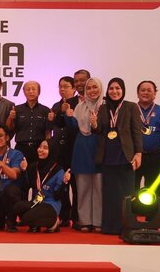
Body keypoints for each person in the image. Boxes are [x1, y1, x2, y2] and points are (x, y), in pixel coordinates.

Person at [95, 78, 143, 235]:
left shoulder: (131, 107)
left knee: (126, 193)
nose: (114, 91)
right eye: (111, 88)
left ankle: (126, 226)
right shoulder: (103, 108)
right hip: (107, 156)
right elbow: (99, 130)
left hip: (126, 156)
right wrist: (94, 124)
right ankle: (109, 227)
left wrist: (138, 153)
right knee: (109, 194)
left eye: (117, 88)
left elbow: (137, 131)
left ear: (123, 90)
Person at [65, 77, 103, 232]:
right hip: (82, 148)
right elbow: (74, 128)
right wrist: (68, 117)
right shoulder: (79, 107)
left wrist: (96, 124)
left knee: (99, 188)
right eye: (89, 88)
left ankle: (99, 221)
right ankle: (85, 221)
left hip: (99, 148)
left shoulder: (105, 107)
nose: (92, 90)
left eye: (95, 87)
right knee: (83, 187)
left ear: (100, 88)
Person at [13, 139, 69, 233]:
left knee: (28, 217)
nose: (40, 150)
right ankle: (34, 224)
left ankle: (54, 222)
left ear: (52, 151)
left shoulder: (58, 171)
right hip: (36, 201)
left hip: (50, 204)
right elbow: (26, 186)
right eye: (40, 147)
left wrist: (64, 182)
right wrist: (24, 170)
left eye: (45, 148)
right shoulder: (34, 166)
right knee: (17, 207)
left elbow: (57, 196)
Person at [50, 75, 80, 227]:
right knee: (61, 184)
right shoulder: (56, 105)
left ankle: (77, 216)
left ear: (74, 89)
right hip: (58, 150)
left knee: (76, 185)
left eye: (66, 86)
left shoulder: (78, 104)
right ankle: (64, 215)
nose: (62, 89)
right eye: (60, 86)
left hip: (73, 149)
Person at [6, 81, 52, 164]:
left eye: (33, 89)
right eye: (28, 89)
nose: (31, 91)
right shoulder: (17, 109)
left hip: (38, 148)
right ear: (24, 92)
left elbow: (48, 132)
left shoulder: (46, 110)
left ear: (39, 92)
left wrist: (47, 148)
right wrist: (11, 118)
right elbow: (9, 128)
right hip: (21, 148)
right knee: (20, 170)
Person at [135, 80, 160, 195]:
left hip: (155, 158)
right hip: (134, 157)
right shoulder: (131, 109)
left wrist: (158, 145)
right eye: (142, 90)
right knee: (131, 192)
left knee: (154, 194)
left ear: (155, 93)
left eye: (149, 90)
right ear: (137, 93)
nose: (145, 92)